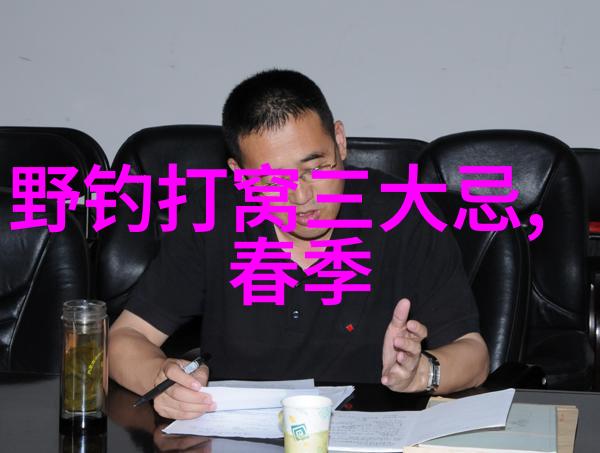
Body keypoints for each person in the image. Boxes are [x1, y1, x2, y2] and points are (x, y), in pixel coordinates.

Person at [108, 69, 489, 420]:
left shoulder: (402, 215)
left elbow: (473, 354)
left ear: (340, 141)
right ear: (240, 176)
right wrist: (161, 378)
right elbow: (126, 339)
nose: (302, 197)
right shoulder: (212, 219)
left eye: (316, 168)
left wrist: (422, 373)